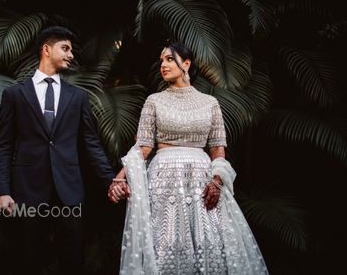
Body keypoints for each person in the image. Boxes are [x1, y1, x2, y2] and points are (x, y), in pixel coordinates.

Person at [109, 42, 269, 274]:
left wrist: (216, 181)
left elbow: (217, 150)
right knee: (165, 244)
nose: (163, 65)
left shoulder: (210, 103)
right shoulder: (154, 101)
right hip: (164, 181)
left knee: (210, 241)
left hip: (201, 182)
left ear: (186, 63)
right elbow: (143, 147)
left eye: (169, 59)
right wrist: (120, 178)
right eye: (161, 60)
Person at [0, 26, 128, 275]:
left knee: (72, 261)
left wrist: (111, 180)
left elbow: (91, 144)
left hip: (69, 191)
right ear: (46, 49)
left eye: (71, 50)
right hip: (27, 191)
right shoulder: (14, 94)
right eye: (65, 48)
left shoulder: (77, 97)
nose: (71, 55)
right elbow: (4, 146)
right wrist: (2, 191)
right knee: (26, 260)